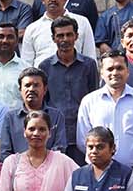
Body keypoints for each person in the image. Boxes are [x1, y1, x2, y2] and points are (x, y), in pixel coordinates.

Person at [75, 52, 133, 170]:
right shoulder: (89, 101)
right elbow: (83, 141)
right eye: (110, 69)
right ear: (102, 73)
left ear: (127, 71)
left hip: (132, 170)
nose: (115, 73)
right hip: (98, 171)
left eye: (119, 68)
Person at [35, 17, 95, 163]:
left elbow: (94, 99)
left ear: (76, 36)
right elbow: (44, 103)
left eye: (69, 35)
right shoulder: (45, 67)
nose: (65, 39)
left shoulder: (89, 65)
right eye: (60, 35)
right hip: (55, 135)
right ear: (53, 38)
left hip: (82, 134)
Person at [0, 67, 66, 161]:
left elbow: (60, 148)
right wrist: (24, 168)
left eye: (36, 85)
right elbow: (5, 152)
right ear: (20, 90)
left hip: (50, 171)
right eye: (27, 85)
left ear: (45, 89)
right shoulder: (10, 118)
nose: (31, 89)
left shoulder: (56, 116)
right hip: (18, 172)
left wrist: (41, 166)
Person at [22, 0, 96, 67]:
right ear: (43, 0)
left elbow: (90, 56)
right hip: (42, 79)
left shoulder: (82, 22)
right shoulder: (32, 28)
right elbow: (26, 64)